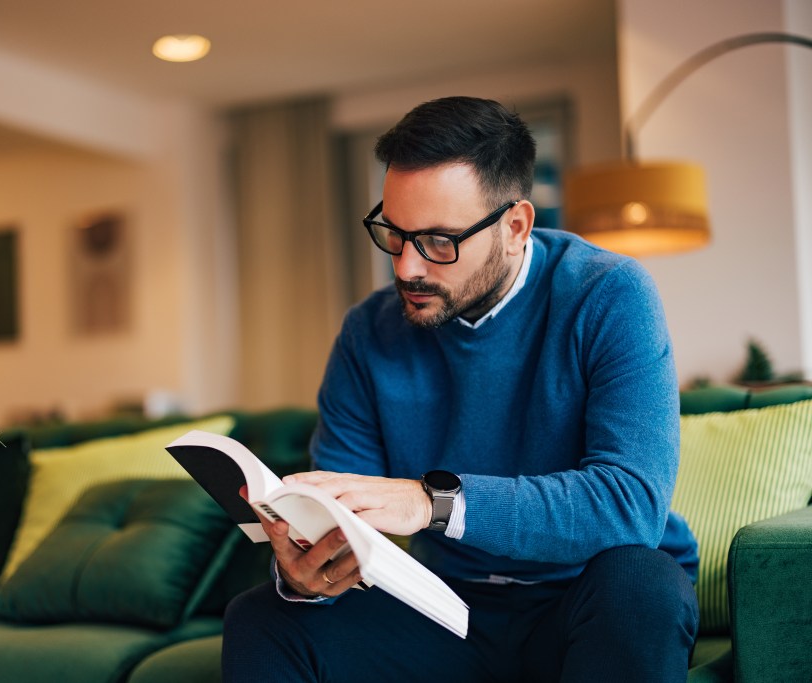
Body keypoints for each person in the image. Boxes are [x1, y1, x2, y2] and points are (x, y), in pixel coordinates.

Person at [223, 96, 699, 682]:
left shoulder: (609, 295)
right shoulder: (368, 333)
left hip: (586, 600)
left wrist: (432, 501)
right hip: (447, 607)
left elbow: (631, 506)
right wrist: (310, 572)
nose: (406, 268)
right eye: (393, 235)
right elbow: (346, 517)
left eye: (438, 241)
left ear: (515, 226)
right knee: (264, 616)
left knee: (639, 583)